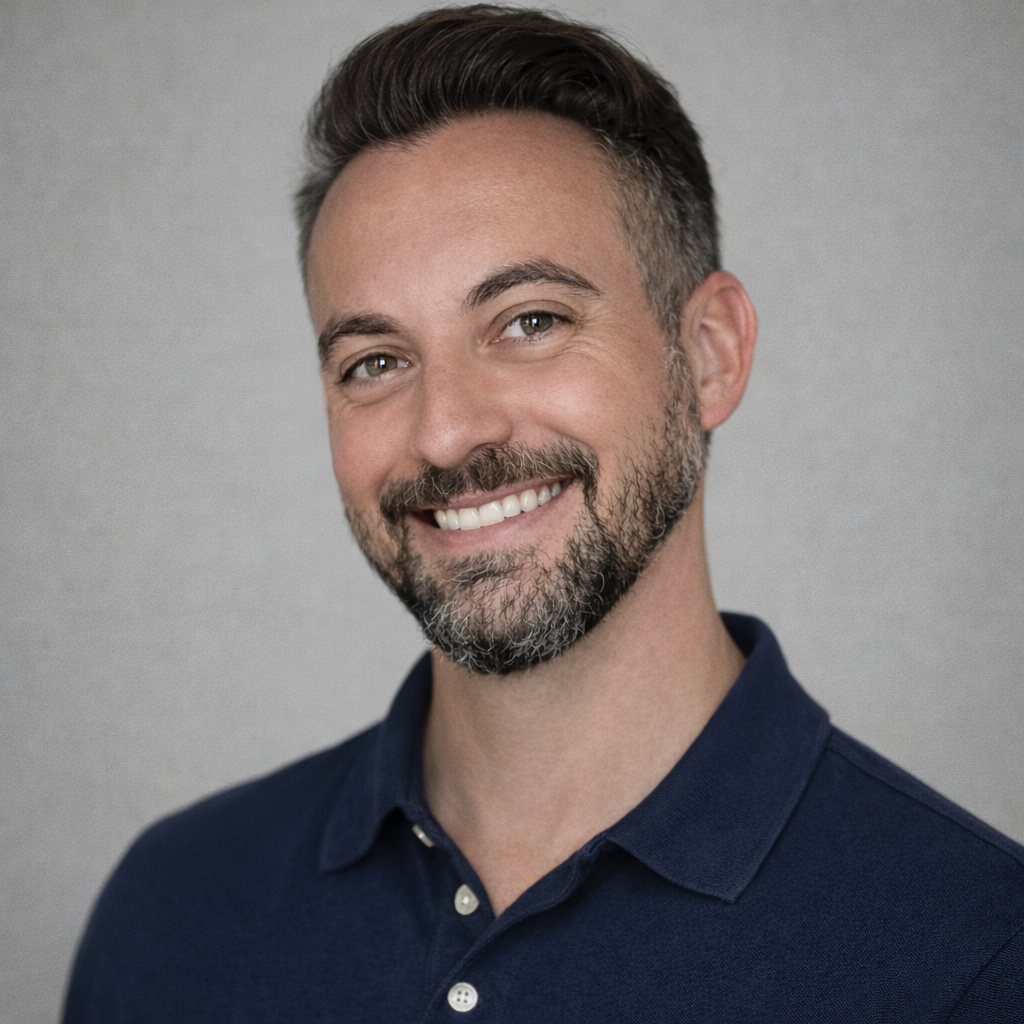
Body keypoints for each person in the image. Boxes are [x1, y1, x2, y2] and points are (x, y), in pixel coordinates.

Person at [63, 6, 1023, 1020]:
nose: (444, 431)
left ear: (707, 353)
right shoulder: (172, 908)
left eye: (529, 321)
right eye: (375, 361)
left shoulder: (976, 952)